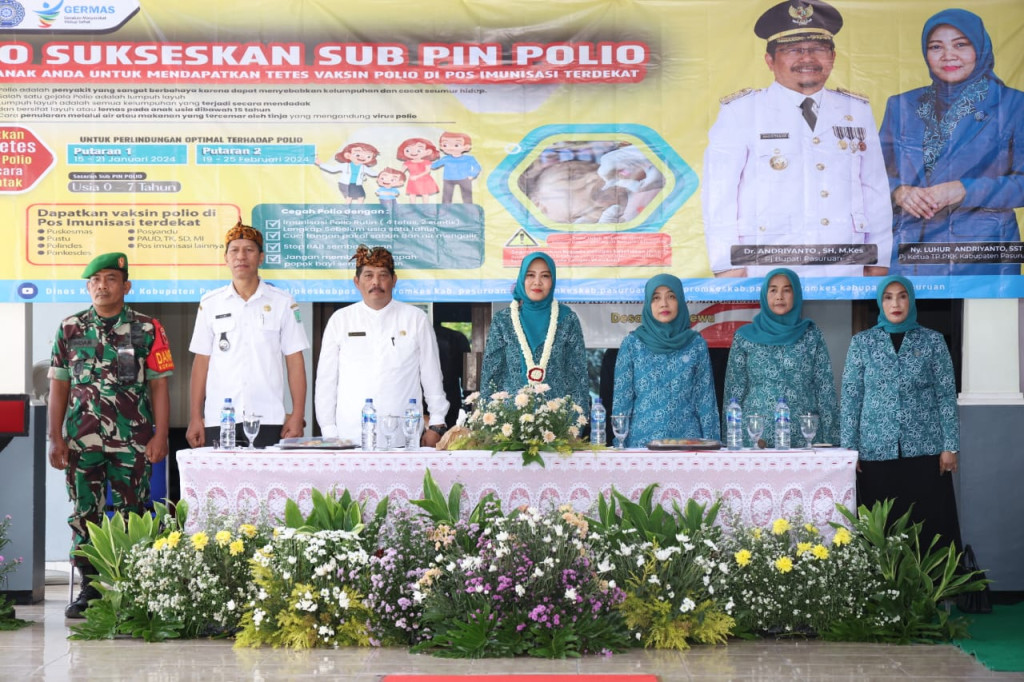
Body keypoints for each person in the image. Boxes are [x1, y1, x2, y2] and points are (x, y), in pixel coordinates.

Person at [702, 0, 892, 278]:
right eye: (793, 50)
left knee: (841, 324)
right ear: (770, 60)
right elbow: (719, 194)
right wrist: (727, 266)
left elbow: (874, 189)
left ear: (833, 57)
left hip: (842, 265)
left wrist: (878, 260)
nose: (807, 59)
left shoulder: (856, 111)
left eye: (817, 49)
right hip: (767, 267)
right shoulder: (741, 112)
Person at [47, 252, 174, 618]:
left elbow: (160, 387)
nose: (102, 285)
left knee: (133, 512)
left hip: (132, 441)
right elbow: (59, 386)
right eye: (96, 280)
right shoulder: (69, 328)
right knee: (86, 512)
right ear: (88, 286)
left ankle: (133, 586)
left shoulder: (149, 328)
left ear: (126, 285)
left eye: (111, 279)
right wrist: (54, 437)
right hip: (80, 441)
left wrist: (160, 434)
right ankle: (91, 588)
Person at [879, 8, 1024, 276]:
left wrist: (964, 190)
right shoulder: (902, 105)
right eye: (936, 47)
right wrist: (899, 192)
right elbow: (871, 176)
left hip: (983, 252)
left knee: (981, 320)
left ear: (979, 48)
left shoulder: (1013, 105)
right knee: (908, 317)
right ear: (926, 54)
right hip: (911, 251)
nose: (948, 55)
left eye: (961, 44)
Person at [840, 275, 962, 551]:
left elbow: (945, 395)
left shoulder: (932, 341)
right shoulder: (862, 343)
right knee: (880, 527)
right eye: (888, 297)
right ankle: (882, 590)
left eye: (902, 296)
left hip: (925, 450)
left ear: (911, 300)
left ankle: (933, 591)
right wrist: (850, 448)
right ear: (880, 303)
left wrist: (950, 446)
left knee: (929, 525)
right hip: (875, 451)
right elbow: (851, 398)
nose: (895, 303)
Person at [186, 221, 309, 449]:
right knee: (220, 484)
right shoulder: (210, 303)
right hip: (220, 418)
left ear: (260, 257)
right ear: (226, 258)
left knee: (267, 484)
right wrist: (195, 416)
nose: (241, 256)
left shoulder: (283, 302)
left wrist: (297, 413)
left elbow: (295, 361)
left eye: (249, 250)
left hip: (268, 417)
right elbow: (201, 362)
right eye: (234, 250)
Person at [315, 245, 449, 446]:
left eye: (383, 275)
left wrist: (437, 423)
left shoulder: (415, 319)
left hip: (405, 437)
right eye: (368, 275)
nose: (375, 282)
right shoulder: (340, 320)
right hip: (349, 438)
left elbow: (431, 374)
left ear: (394, 280)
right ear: (357, 282)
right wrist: (328, 430)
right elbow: (326, 381)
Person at [722, 267, 838, 447]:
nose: (779, 296)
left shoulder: (811, 334)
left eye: (787, 290)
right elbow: (733, 392)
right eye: (773, 290)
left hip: (804, 436)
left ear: (796, 294)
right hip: (755, 436)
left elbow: (825, 389)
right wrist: (727, 440)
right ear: (764, 294)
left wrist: (833, 440)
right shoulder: (744, 337)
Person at [612, 274, 720, 447]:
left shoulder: (695, 344)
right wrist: (620, 445)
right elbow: (622, 401)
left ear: (681, 301)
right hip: (642, 444)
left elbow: (705, 400)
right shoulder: (633, 344)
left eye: (671, 296)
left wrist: (713, 446)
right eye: (656, 298)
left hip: (689, 444)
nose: (664, 304)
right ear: (648, 304)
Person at [480, 252, 589, 411]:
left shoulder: (567, 319)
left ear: (552, 281)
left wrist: (575, 426)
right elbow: (491, 375)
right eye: (530, 275)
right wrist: (489, 421)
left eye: (545, 276)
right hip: (509, 425)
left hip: (557, 423)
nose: (537, 282)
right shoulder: (503, 321)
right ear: (522, 278)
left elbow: (578, 377)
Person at [433, 322, 471, 429]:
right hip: (451, 397)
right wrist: (470, 402)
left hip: (422, 401)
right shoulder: (457, 337)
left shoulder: (419, 337)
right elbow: (467, 374)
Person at [431, 131, 481, 204]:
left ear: (466, 147)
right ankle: (445, 211)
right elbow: (434, 165)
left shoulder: (469, 158)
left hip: (464, 178)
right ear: (441, 146)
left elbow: (477, 167)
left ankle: (469, 210)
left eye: (456, 145)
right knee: (446, 197)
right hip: (448, 179)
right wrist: (425, 162)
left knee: (467, 197)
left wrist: (472, 175)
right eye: (445, 145)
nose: (451, 148)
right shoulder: (446, 158)